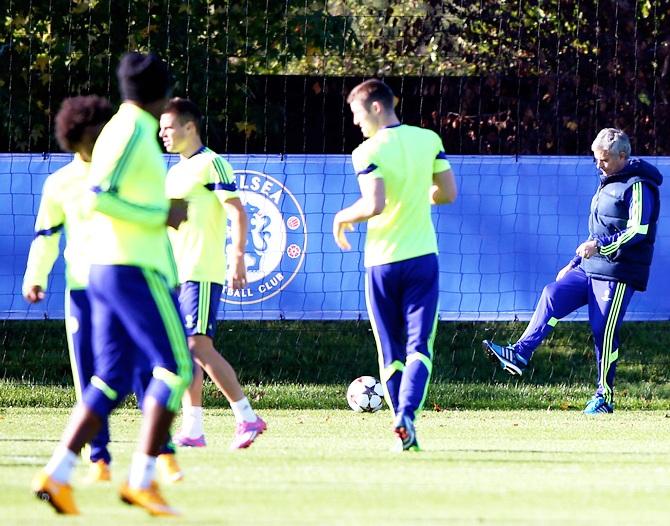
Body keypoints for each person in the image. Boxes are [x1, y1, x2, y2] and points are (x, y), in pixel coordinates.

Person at [32, 52, 192, 517]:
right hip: (130, 267)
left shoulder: (125, 126)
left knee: (111, 378)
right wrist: (163, 213)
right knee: (176, 367)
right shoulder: (133, 129)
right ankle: (143, 479)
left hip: (106, 268)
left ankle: (57, 475)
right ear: (162, 93)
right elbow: (101, 196)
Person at [483, 128, 663, 415]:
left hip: (618, 273)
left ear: (622, 156)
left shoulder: (639, 185)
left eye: (603, 160)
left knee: (603, 331)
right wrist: (574, 263)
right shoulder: (608, 180)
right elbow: (598, 230)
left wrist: (600, 246)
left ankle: (604, 397)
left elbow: (638, 230)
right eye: (596, 159)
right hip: (590, 267)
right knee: (553, 294)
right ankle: (520, 353)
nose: (598, 165)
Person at [333, 79, 457, 451]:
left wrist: (342, 217)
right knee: (420, 346)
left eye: (356, 113)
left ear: (375, 108)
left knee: (390, 350)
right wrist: (418, 198)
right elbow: (447, 193)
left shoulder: (366, 151)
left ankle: (398, 420)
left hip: (382, 262)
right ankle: (406, 417)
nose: (355, 123)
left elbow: (375, 204)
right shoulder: (428, 140)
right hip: (422, 259)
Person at [159, 97, 266, 450]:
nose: (163, 134)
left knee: (198, 345)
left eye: (169, 127)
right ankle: (193, 429)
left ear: (190, 127)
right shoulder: (174, 172)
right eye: (160, 129)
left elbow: (237, 212)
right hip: (175, 275)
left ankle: (247, 416)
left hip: (202, 271)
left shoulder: (213, 164)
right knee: (185, 353)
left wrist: (237, 257)